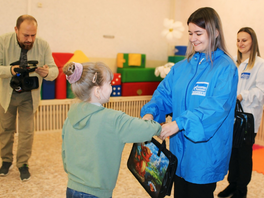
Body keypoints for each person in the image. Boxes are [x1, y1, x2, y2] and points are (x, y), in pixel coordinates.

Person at [141, 7, 238, 198]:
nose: (193, 38)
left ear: (215, 32)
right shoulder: (182, 67)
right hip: (179, 151)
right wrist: (150, 112)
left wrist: (179, 123)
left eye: (199, 33)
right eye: (190, 33)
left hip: (205, 153)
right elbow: (164, 94)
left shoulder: (225, 68)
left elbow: (216, 107)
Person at [61, 61, 162, 198]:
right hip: (97, 194)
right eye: (109, 83)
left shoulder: (70, 117)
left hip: (72, 189)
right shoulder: (113, 119)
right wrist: (158, 126)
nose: (111, 87)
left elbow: (65, 154)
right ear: (97, 91)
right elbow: (146, 129)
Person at [0, 15, 58, 181]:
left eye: (33, 35)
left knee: (26, 132)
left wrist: (48, 72)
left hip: (29, 96)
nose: (30, 39)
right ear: (16, 30)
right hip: (6, 95)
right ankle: (6, 161)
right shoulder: (3, 41)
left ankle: (23, 163)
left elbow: (54, 71)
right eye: (26, 35)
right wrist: (11, 70)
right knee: (5, 130)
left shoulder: (43, 45)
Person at [218, 27, 264, 198]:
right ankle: (232, 185)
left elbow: (261, 90)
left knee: (244, 156)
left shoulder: (259, 64)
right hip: (232, 117)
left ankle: (241, 190)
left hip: (248, 117)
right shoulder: (235, 63)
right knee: (232, 154)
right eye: (238, 40)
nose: (240, 43)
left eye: (244, 40)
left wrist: (242, 95)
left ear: (253, 41)